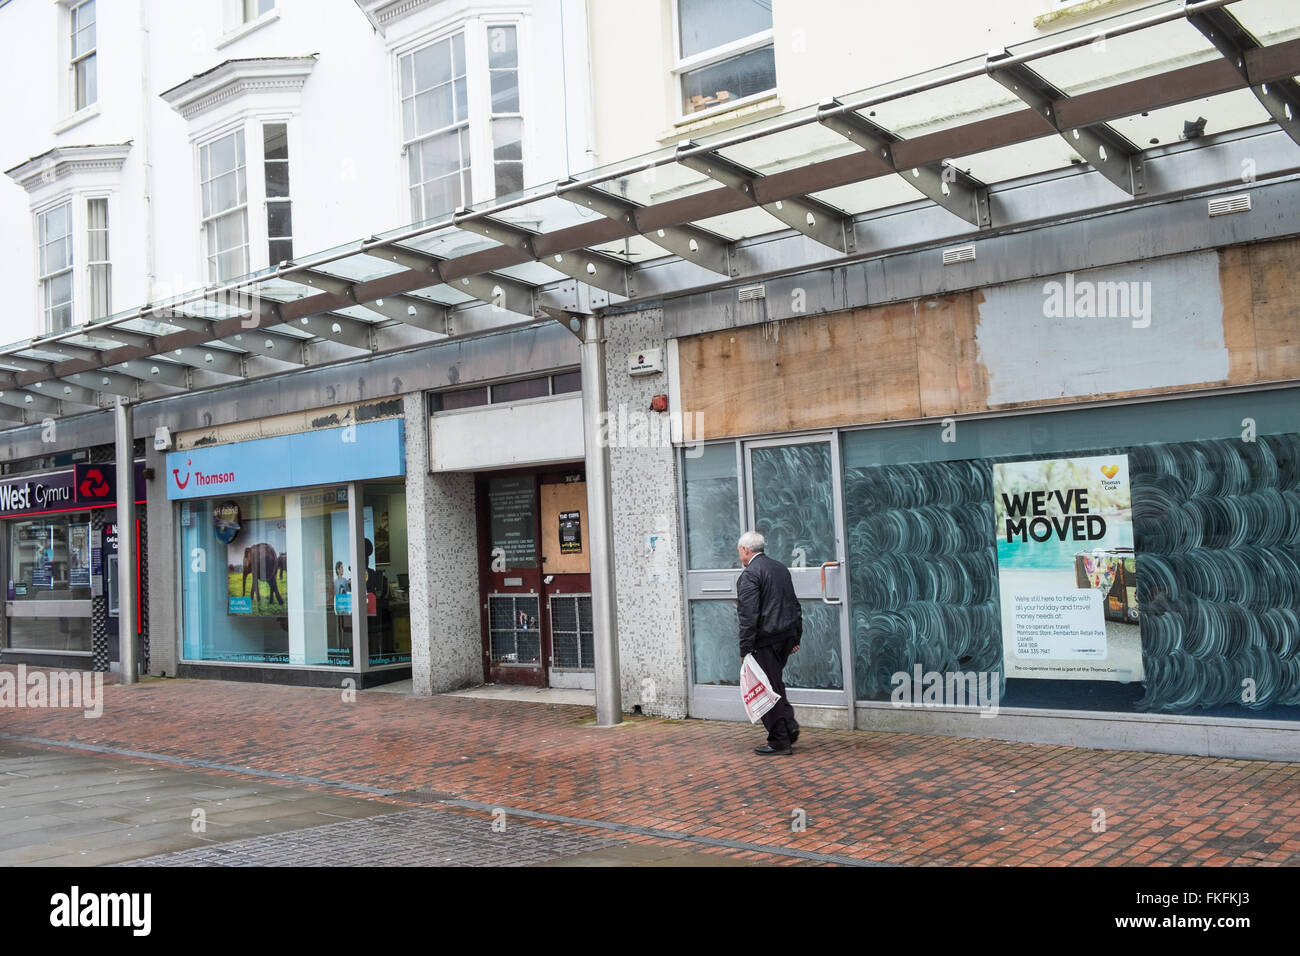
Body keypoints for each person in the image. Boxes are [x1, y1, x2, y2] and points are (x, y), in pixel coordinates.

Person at [736, 531, 802, 756]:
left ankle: (779, 740)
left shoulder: (750, 574)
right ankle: (789, 728)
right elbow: (794, 604)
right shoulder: (780, 568)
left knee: (766, 690)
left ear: (746, 550)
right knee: (774, 684)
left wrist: (745, 648)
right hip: (784, 638)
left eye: (739, 551)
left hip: (765, 641)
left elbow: (748, 615)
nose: (739, 555)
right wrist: (796, 637)